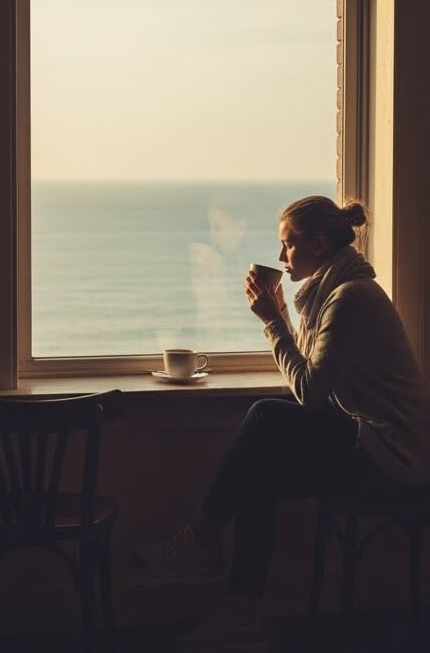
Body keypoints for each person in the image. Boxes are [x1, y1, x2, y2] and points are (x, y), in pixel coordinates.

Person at [136, 196, 430, 649]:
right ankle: (240, 618)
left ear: (319, 244)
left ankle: (204, 538)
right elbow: (319, 375)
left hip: (398, 461)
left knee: (266, 415)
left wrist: (273, 322)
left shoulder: (350, 298)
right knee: (259, 478)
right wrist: (283, 318)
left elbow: (309, 391)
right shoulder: (334, 293)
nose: (280, 255)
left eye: (288, 244)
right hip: (368, 442)